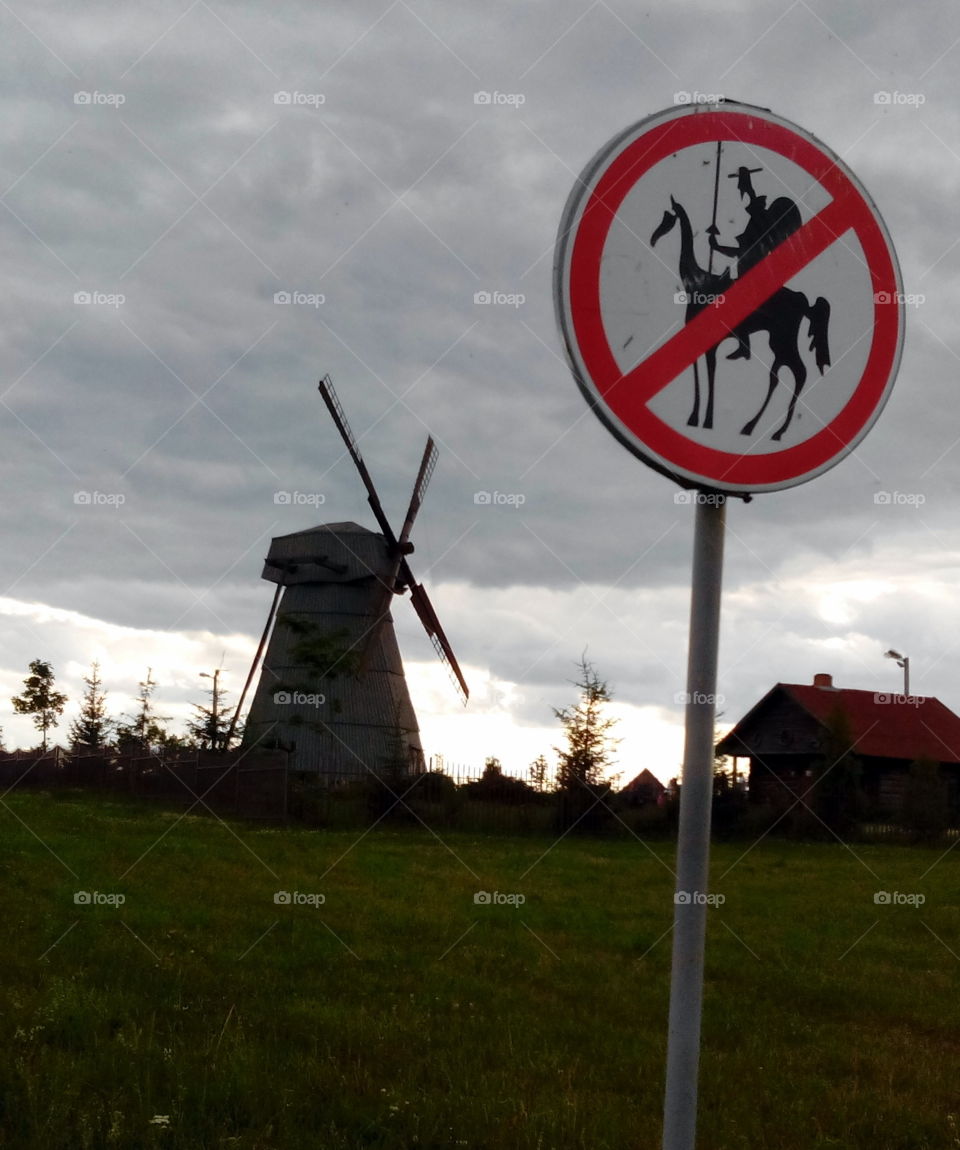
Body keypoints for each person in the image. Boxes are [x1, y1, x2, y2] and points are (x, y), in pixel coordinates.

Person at [709, 166, 802, 360]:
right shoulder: (759, 223)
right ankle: (742, 342)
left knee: (732, 300)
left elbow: (744, 250)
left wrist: (747, 185)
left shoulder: (763, 225)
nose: (757, 207)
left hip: (754, 275)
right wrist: (717, 247)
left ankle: (744, 345)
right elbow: (742, 251)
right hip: (748, 270)